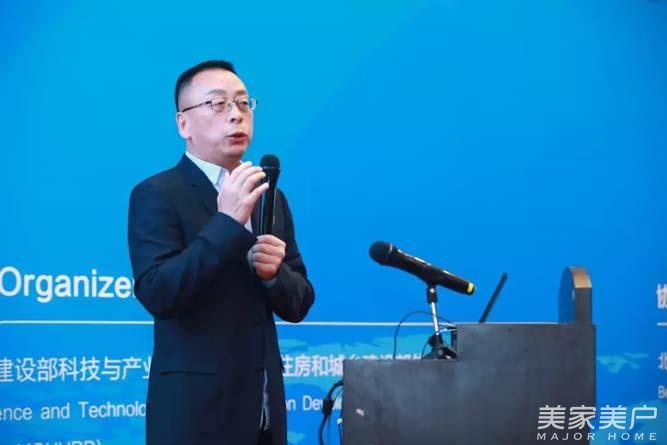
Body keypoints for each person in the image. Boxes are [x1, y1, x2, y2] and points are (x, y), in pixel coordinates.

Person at [127, 60, 315, 445]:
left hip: (264, 416)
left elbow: (299, 303)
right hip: (195, 419)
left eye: (244, 103)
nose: (235, 114)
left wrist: (274, 276)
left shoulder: (270, 197)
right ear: (183, 124)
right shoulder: (157, 194)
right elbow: (158, 292)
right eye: (218, 104)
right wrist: (227, 222)